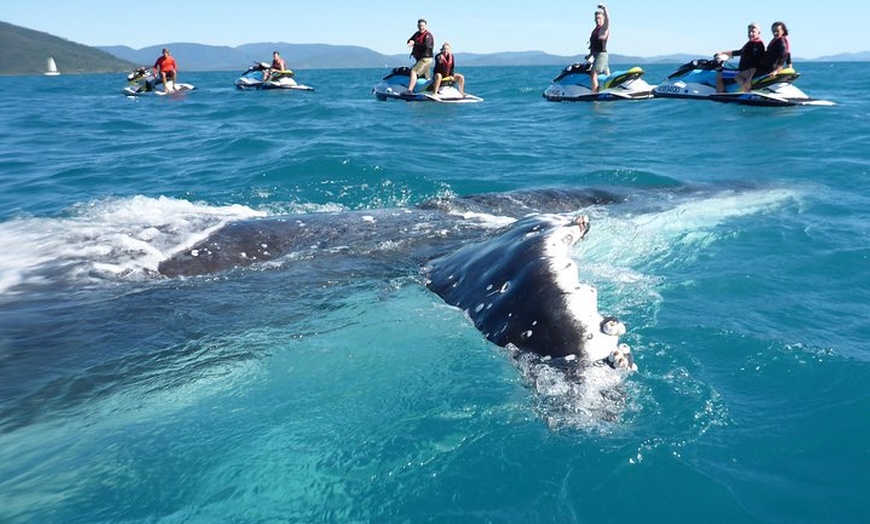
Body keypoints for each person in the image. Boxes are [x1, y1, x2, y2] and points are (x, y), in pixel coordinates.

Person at [716, 22, 765, 92]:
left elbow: (756, 63)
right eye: (749, 32)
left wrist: (749, 79)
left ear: (759, 33)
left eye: (753, 32)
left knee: (719, 75)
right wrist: (722, 53)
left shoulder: (757, 45)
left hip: (746, 72)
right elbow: (739, 52)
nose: (751, 34)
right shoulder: (751, 43)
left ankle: (719, 96)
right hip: (742, 71)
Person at [406, 18, 434, 93]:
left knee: (413, 71)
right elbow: (410, 40)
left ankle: (409, 90)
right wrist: (410, 41)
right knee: (425, 77)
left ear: (425, 26)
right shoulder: (417, 34)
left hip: (426, 59)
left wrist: (415, 44)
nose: (421, 27)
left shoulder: (428, 35)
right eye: (419, 26)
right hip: (420, 59)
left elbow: (427, 46)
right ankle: (428, 90)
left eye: (422, 26)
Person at [586, 4, 610, 93]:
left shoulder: (603, 28)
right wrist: (590, 54)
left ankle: (595, 94)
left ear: (603, 19)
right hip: (598, 55)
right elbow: (594, 45)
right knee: (607, 76)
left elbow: (608, 20)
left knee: (593, 74)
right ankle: (610, 90)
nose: (597, 20)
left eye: (599, 18)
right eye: (596, 19)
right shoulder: (595, 30)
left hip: (601, 55)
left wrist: (604, 9)